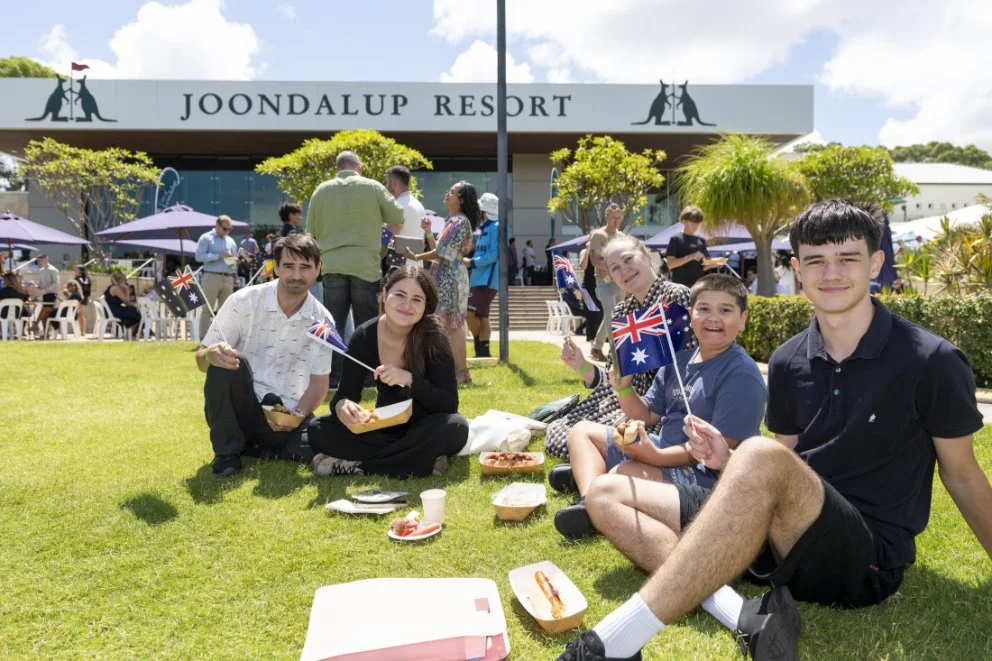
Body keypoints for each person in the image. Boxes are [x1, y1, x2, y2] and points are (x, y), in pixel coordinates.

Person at [556, 199, 992, 661]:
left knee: (759, 455)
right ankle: (738, 611)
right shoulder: (788, 359)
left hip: (863, 554)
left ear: (877, 263)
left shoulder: (932, 361)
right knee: (605, 494)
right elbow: (787, 457)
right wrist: (725, 463)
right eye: (815, 261)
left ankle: (613, 643)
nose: (831, 274)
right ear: (798, 270)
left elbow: (962, 474)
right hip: (774, 538)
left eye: (848, 258)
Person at [553, 274, 766, 540]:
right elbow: (647, 413)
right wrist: (623, 388)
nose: (713, 318)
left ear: (742, 319)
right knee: (582, 431)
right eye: (704, 309)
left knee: (622, 473)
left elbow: (718, 450)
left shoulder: (741, 374)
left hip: (705, 472)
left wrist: (652, 456)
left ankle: (594, 480)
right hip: (662, 448)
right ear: (691, 315)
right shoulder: (678, 359)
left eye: (725, 310)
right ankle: (588, 502)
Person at [308, 266, 469, 477]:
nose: (406, 306)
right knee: (318, 428)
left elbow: (448, 404)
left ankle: (361, 467)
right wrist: (342, 405)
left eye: (416, 299)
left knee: (456, 427)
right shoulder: (364, 336)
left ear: (426, 306)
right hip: (384, 428)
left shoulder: (434, 338)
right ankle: (421, 461)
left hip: (426, 426)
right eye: (399, 295)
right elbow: (345, 394)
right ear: (385, 294)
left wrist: (410, 379)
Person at [196, 233, 332, 477]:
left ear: (318, 269)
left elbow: (319, 384)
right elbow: (201, 360)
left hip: (287, 416)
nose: (297, 275)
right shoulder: (243, 301)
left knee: (324, 443)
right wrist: (210, 355)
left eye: (305, 267)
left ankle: (257, 448)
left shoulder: (322, 321)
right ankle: (227, 455)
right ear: (276, 267)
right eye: (289, 266)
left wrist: (296, 415)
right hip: (242, 408)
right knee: (229, 358)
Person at [545, 234, 692, 460]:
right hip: (627, 400)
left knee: (636, 437)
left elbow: (687, 372)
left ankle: (602, 459)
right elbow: (616, 379)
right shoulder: (622, 312)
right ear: (610, 276)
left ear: (646, 255)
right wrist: (582, 366)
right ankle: (603, 457)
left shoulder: (675, 296)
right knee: (560, 431)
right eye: (615, 268)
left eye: (628, 259)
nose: (624, 270)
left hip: (667, 407)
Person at [307, 150, 405, 387]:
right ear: (359, 168)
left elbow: (310, 231)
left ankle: (332, 376)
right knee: (368, 323)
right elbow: (398, 216)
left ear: (337, 169)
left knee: (331, 323)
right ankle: (368, 375)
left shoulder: (321, 190)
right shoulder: (372, 186)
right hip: (365, 265)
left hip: (332, 265)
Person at [406, 181, 480, 384]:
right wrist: (429, 232)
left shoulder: (458, 222)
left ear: (461, 199)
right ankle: (452, 372)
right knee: (446, 322)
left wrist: (416, 255)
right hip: (445, 275)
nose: (447, 194)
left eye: (453, 192)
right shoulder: (453, 221)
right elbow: (440, 251)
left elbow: (439, 253)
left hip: (451, 278)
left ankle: (462, 374)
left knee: (454, 323)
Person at [588, 204, 627, 360]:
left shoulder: (623, 237)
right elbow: (594, 260)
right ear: (606, 217)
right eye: (613, 218)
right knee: (612, 315)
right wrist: (612, 269)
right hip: (604, 280)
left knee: (615, 315)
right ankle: (615, 353)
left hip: (620, 281)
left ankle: (597, 347)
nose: (616, 221)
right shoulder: (598, 235)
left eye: (619, 218)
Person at [466, 193, 500, 358]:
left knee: (469, 313)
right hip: (478, 278)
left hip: (487, 280)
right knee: (481, 315)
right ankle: (483, 352)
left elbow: (494, 254)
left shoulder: (496, 227)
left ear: (484, 210)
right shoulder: (486, 227)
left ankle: (480, 345)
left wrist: (472, 262)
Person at [195, 215, 239, 338]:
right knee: (207, 309)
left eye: (229, 230)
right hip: (211, 276)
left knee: (226, 311)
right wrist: (218, 256)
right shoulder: (206, 238)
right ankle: (204, 338)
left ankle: (223, 337)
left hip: (228, 277)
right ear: (217, 225)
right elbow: (199, 257)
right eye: (225, 229)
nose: (227, 232)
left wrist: (235, 263)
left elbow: (231, 262)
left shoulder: (230, 241)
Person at [666, 205, 716, 289]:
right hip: (679, 287)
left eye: (697, 223)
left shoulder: (701, 240)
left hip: (698, 286)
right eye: (692, 222)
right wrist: (691, 257)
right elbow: (670, 264)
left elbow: (703, 266)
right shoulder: (676, 239)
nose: (695, 226)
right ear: (684, 221)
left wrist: (715, 262)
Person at [385, 165, 427, 264]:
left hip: (402, 267)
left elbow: (387, 236)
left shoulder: (398, 205)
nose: (386, 186)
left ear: (394, 183)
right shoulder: (418, 204)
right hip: (416, 266)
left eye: (387, 182)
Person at [27, 254, 61, 333]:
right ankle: (45, 334)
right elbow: (42, 284)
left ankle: (36, 324)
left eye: (39, 261)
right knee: (44, 316)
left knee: (44, 311)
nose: (38, 263)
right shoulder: (42, 270)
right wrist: (37, 285)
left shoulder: (53, 270)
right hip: (46, 295)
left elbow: (56, 283)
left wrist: (45, 288)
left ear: (44, 260)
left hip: (53, 295)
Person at [578, 242, 603, 343]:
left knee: (601, 314)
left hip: (601, 287)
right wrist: (588, 251)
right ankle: (592, 342)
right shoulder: (584, 252)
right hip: (588, 288)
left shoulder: (602, 253)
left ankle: (599, 343)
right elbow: (583, 266)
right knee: (592, 315)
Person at [74, 265, 91, 336]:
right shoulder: (81, 278)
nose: (75, 271)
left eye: (76, 269)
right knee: (80, 314)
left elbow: (85, 289)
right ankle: (81, 331)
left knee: (80, 314)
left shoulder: (83, 279)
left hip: (82, 298)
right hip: (81, 297)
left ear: (80, 271)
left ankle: (82, 331)